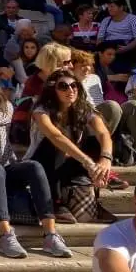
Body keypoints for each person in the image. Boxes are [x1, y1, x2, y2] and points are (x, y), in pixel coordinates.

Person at [0, 70, 72, 259]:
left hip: (7, 170)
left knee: (33, 166)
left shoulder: (5, 106)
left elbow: (4, 118)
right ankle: (6, 234)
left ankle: (51, 234)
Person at [24, 71, 115, 222]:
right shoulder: (41, 110)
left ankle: (94, 199)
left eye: (74, 86)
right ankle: (55, 202)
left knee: (94, 142)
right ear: (53, 90)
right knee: (56, 144)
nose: (70, 90)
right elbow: (55, 136)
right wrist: (88, 162)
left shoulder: (83, 108)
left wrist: (105, 159)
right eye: (63, 86)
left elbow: (103, 133)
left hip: (69, 162)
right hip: (39, 163)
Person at [71, 49, 136, 154]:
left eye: (89, 65)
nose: (87, 68)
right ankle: (101, 148)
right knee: (112, 106)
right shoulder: (69, 82)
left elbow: (99, 102)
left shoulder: (94, 78)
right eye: (83, 65)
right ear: (72, 66)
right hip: (85, 118)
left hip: (101, 114)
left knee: (135, 105)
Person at [97, 0, 136, 73]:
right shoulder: (106, 20)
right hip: (109, 46)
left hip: (126, 47)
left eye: (112, 6)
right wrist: (101, 49)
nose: (109, 9)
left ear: (121, 7)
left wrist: (126, 48)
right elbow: (100, 38)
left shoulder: (133, 19)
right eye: (108, 6)